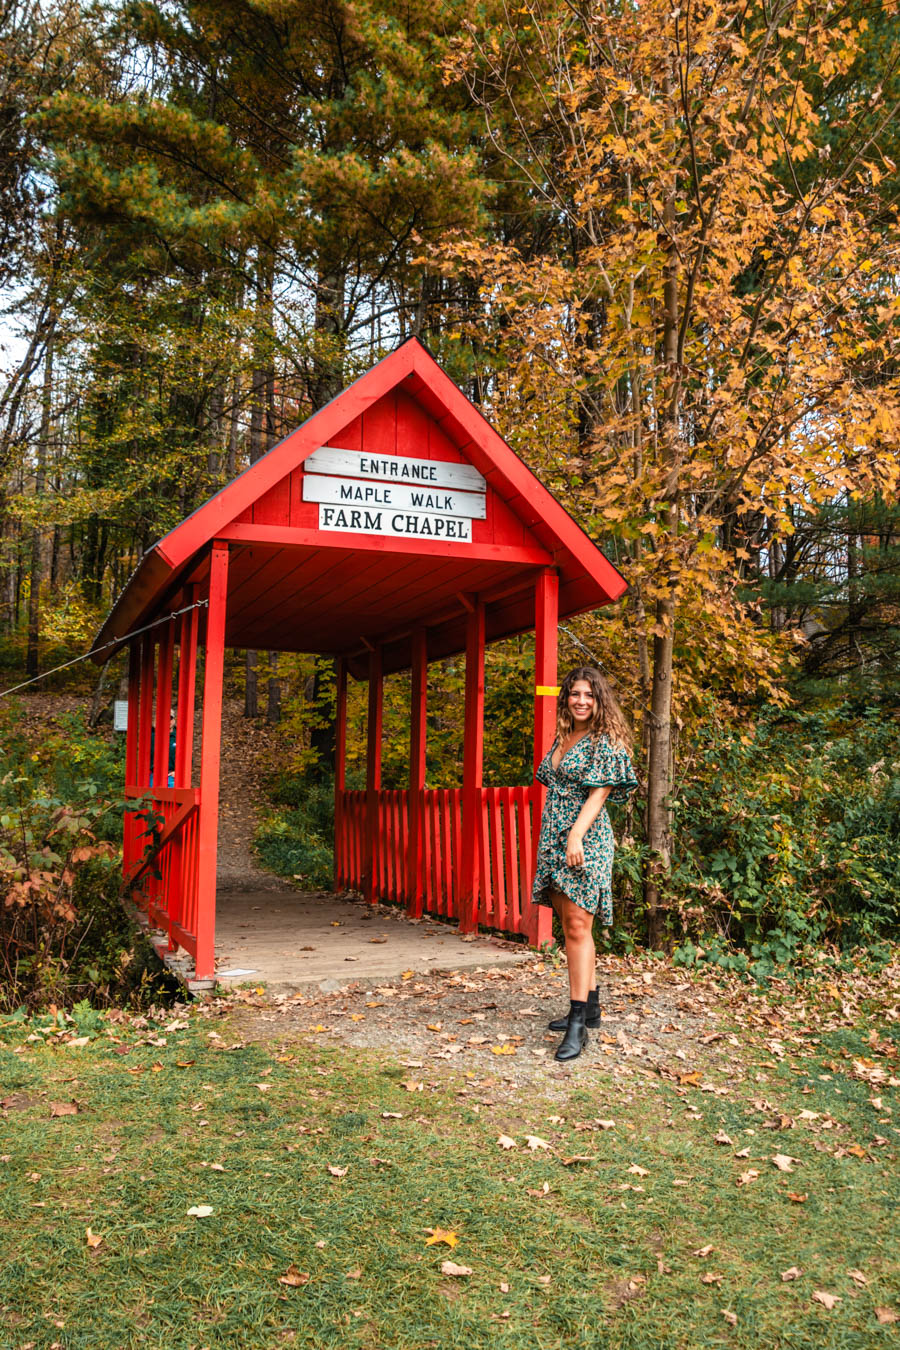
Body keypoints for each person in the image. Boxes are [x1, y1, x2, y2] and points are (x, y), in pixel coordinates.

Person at [533, 666, 638, 1062]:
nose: (581, 701)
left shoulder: (605, 740)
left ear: (599, 700)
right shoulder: (565, 736)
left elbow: (599, 795)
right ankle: (589, 1005)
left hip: (585, 837)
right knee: (568, 921)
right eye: (575, 694)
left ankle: (579, 1024)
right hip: (555, 837)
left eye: (589, 695)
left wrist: (575, 835)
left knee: (578, 925)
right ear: (567, 698)